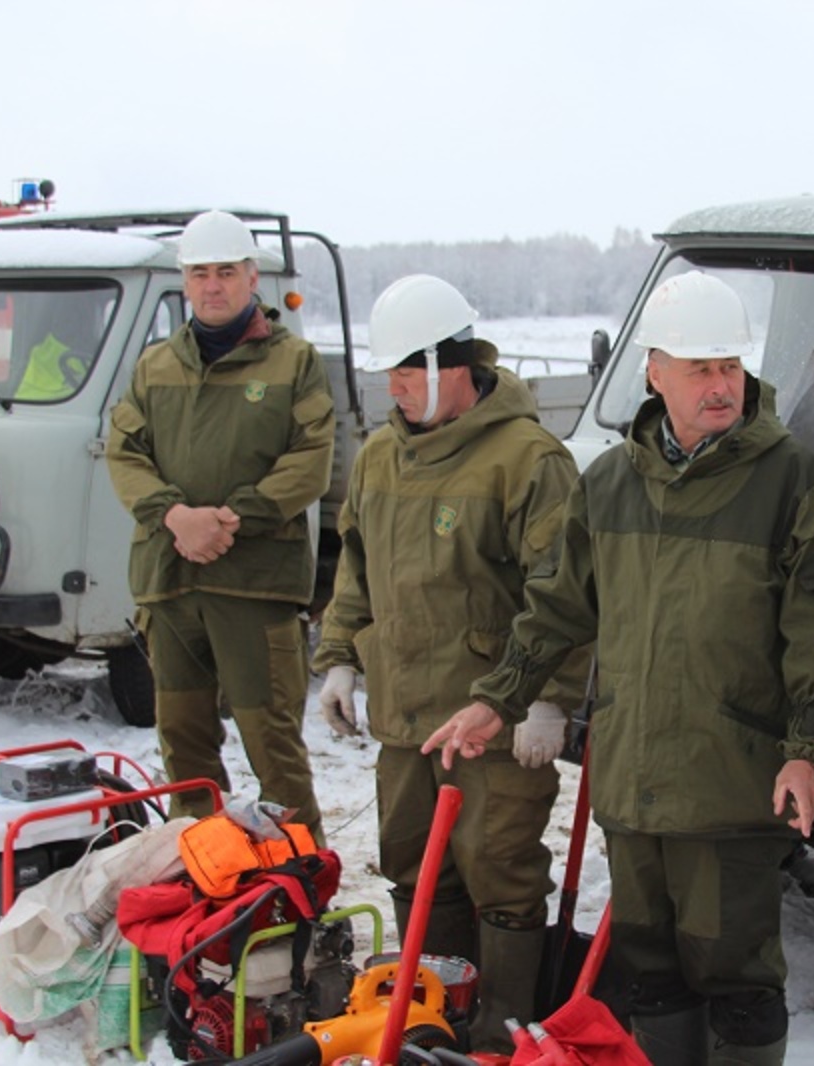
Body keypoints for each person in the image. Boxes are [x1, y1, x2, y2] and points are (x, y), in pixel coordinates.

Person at [421, 270, 814, 1066]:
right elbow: (557, 607)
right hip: (632, 784)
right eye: (700, 369)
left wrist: (809, 749)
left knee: (737, 980)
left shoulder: (791, 480)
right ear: (654, 372)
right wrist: (500, 699)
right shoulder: (612, 482)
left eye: (729, 366)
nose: (720, 386)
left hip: (730, 784)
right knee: (651, 973)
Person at [311, 274, 584, 1052]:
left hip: (493, 726)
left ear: (453, 363)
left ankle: (500, 1034)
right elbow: (354, 569)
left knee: (500, 873)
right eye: (386, 374)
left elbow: (565, 593)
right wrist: (339, 659)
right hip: (405, 720)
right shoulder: (377, 459)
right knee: (415, 871)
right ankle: (438, 1020)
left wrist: (548, 699)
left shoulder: (528, 460)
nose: (393, 388)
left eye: (406, 370)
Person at [105, 209, 333, 842]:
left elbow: (310, 462)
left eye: (226, 272)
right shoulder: (156, 367)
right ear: (184, 281)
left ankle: (302, 881)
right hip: (170, 584)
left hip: (253, 589)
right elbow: (124, 453)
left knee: (273, 747)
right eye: (200, 273)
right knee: (184, 749)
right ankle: (207, 879)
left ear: (251, 277)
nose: (213, 285)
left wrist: (231, 519)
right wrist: (176, 517)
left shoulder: (292, 362)